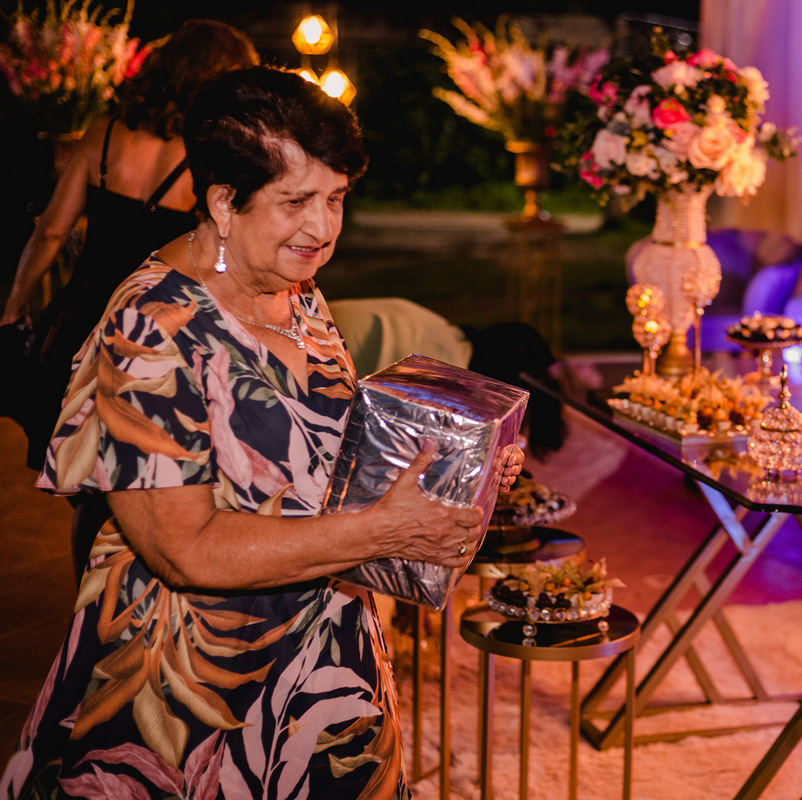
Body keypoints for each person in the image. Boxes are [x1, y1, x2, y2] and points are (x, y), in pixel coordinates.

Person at [0, 66, 523, 799]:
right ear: (223, 201)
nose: (323, 226)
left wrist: (456, 472)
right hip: (197, 688)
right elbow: (185, 550)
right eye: (296, 201)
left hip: (324, 661)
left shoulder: (295, 293)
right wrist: (380, 533)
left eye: (336, 198)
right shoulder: (151, 332)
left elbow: (326, 462)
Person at [0, 19, 259, 581]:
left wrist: (15, 305)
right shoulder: (210, 162)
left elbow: (48, 231)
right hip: (154, 338)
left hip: (79, 327)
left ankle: (88, 598)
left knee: (89, 486)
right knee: (135, 484)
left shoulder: (105, 131)